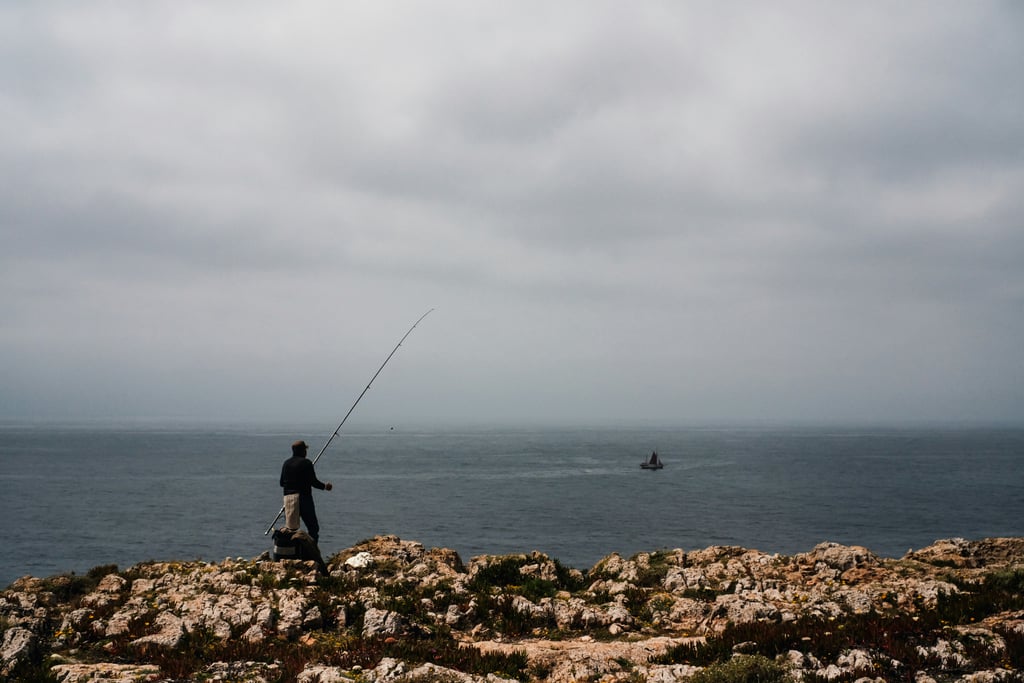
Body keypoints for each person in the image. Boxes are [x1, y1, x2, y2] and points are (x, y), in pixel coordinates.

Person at [279, 440, 332, 543]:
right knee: (313, 528)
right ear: (303, 451)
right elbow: (313, 482)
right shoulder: (306, 463)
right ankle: (312, 552)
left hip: (289, 499)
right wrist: (325, 486)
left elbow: (282, 483)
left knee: (291, 529)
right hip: (303, 498)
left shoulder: (286, 463)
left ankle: (292, 552)